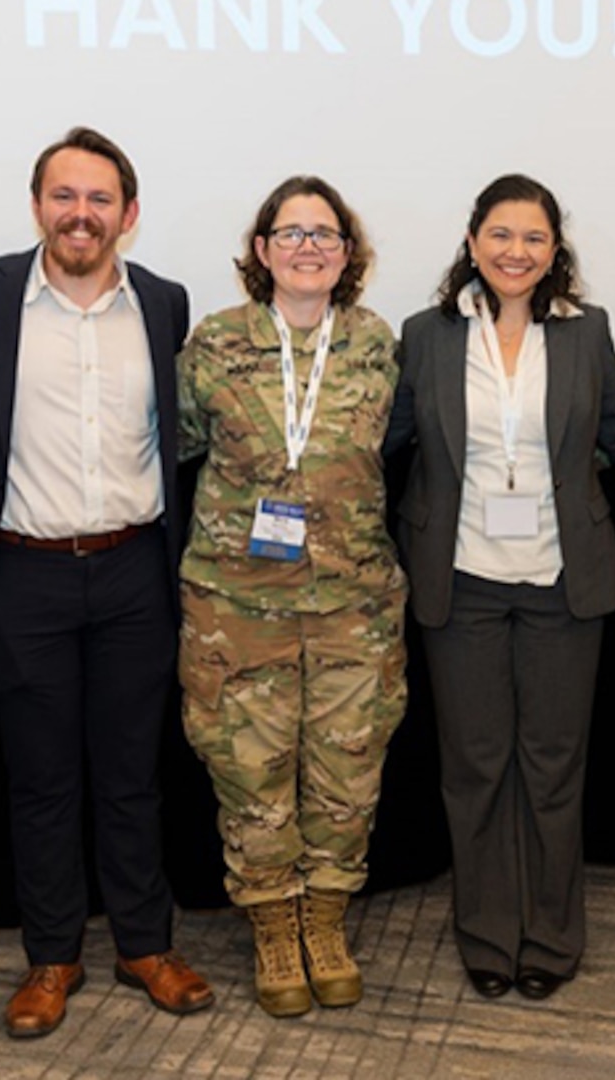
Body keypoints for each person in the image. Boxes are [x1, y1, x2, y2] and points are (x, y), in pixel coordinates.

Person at [0, 127, 213, 1037]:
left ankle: (143, 944)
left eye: (99, 200)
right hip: (25, 578)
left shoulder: (163, 302)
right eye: (63, 196)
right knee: (42, 781)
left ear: (128, 214)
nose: (79, 215)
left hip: (133, 570)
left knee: (132, 776)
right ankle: (51, 958)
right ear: (38, 204)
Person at [385, 174, 615, 1001]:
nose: (516, 252)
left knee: (553, 763)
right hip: (458, 579)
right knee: (475, 764)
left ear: (554, 251)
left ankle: (552, 935)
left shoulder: (586, 332)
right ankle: (488, 933)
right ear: (471, 244)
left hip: (560, 579)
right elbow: (385, 437)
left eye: (534, 238)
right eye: (500, 235)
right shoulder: (423, 336)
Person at [174, 176, 406, 1017]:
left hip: (354, 607)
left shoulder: (378, 345)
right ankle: (274, 926)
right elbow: (178, 444)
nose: (308, 246)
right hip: (237, 610)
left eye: (325, 234)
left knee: (349, 775)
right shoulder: (215, 345)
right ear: (262, 249)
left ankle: (327, 921)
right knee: (250, 773)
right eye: (291, 232)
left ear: (348, 254)